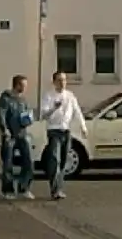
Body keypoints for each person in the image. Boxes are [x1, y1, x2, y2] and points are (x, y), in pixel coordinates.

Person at [39, 71, 86, 200]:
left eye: (64, 80)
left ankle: (59, 187)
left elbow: (77, 111)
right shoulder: (49, 96)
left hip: (66, 130)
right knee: (55, 159)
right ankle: (54, 190)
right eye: (59, 80)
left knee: (64, 161)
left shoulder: (70, 95)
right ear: (54, 82)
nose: (62, 83)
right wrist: (54, 108)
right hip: (54, 130)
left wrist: (83, 127)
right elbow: (43, 115)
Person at [0, 75, 35, 199]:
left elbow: (26, 113)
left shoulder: (23, 100)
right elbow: (1, 115)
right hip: (10, 135)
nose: (25, 88)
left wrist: (29, 119)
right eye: (23, 85)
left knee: (28, 161)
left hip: (22, 133)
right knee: (8, 163)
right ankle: (8, 190)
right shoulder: (5, 99)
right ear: (17, 85)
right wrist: (5, 130)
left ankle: (24, 188)